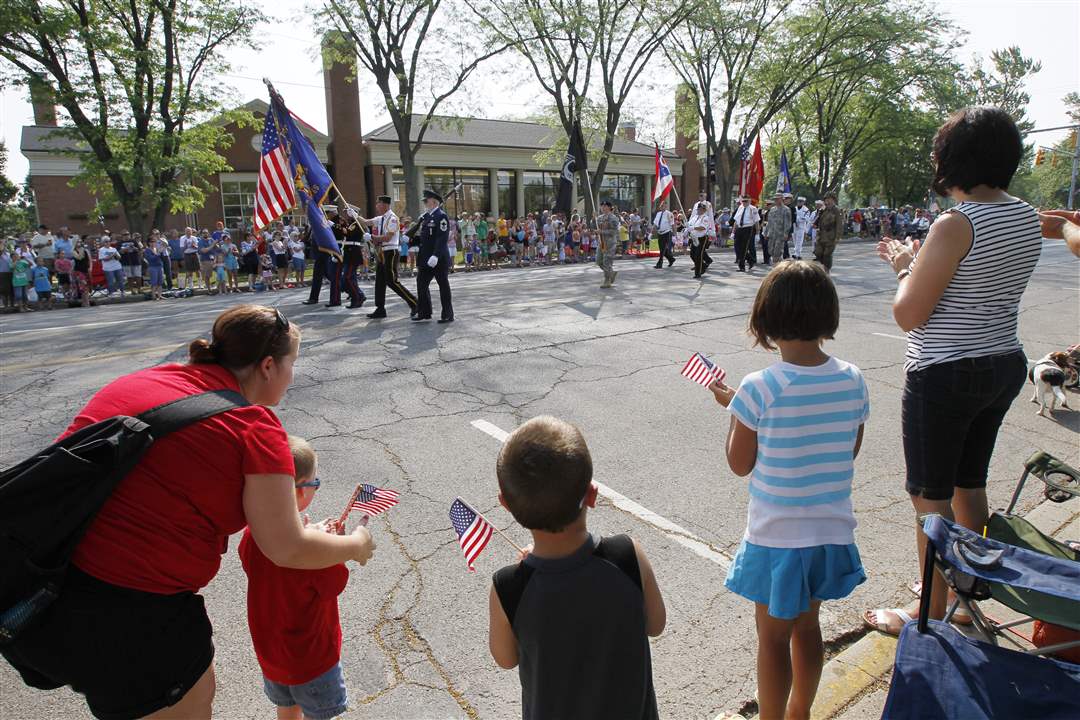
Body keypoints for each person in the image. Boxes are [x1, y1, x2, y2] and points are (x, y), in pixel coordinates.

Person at [0, 305, 377, 720]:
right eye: (292, 363)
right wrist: (355, 546)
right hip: (133, 616)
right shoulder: (254, 426)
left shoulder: (145, 379)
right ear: (268, 366)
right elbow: (287, 547)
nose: (293, 376)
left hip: (43, 589)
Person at [867, 106, 1042, 636]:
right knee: (970, 484)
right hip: (1002, 361)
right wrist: (922, 264)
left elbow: (909, 314)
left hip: (945, 371)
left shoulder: (956, 223)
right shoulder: (1026, 216)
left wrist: (904, 266)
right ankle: (965, 596)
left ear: (954, 158)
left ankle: (931, 611)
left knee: (930, 497)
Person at [708, 260, 868, 720]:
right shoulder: (852, 378)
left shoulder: (758, 387)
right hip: (828, 532)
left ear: (766, 319)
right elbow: (848, 449)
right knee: (808, 628)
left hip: (778, 538)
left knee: (773, 638)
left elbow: (739, 464)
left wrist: (738, 410)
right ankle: (800, 712)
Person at [488, 416, 666, 720]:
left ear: (506, 505)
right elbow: (656, 624)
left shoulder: (509, 587)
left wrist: (527, 574)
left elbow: (505, 658)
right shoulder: (626, 556)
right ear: (592, 494)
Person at [239, 436, 351, 720]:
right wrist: (332, 545)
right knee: (319, 714)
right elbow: (334, 583)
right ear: (300, 490)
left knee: (287, 707)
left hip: (271, 653)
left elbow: (257, 562)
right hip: (311, 660)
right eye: (315, 483)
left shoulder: (253, 534)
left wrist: (309, 533)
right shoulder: (311, 554)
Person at [355, 195, 418, 319]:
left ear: (385, 205)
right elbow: (366, 222)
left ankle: (414, 302)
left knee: (392, 281)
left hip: (391, 252)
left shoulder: (392, 219)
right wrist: (355, 215)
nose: (376, 206)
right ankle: (380, 309)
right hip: (382, 252)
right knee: (379, 282)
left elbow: (388, 237)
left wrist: (372, 237)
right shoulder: (381, 218)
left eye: (378, 203)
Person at [413, 189, 454, 323]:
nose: (425, 203)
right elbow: (425, 238)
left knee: (443, 285)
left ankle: (447, 314)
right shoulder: (426, 217)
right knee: (421, 283)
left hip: (438, 259)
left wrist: (436, 255)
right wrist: (412, 240)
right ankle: (424, 312)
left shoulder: (441, 216)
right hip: (426, 258)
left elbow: (442, 238)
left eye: (427, 200)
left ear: (434, 202)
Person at [338, 211, 367, 310]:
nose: (346, 215)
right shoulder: (350, 224)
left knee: (348, 278)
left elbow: (348, 233)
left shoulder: (356, 224)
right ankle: (359, 295)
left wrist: (335, 225)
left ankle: (357, 298)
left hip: (353, 253)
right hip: (349, 253)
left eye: (348, 213)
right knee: (350, 278)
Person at [813, 193, 843, 272]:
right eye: (826, 199)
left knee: (827, 254)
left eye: (829, 199)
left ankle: (826, 270)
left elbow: (839, 224)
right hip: (821, 236)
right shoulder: (823, 210)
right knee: (818, 253)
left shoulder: (836, 210)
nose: (827, 201)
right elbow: (818, 221)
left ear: (833, 200)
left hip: (831, 236)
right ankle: (823, 266)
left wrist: (837, 237)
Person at [731, 196, 760, 272]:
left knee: (744, 248)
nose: (744, 203)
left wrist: (757, 233)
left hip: (748, 228)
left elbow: (756, 222)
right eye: (743, 201)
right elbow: (736, 221)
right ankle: (751, 260)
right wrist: (733, 232)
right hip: (739, 228)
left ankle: (742, 266)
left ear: (749, 201)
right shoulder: (740, 207)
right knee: (737, 248)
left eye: (746, 201)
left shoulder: (753, 209)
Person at [595, 200, 620, 288]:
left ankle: (607, 280)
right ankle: (611, 273)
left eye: (605, 206)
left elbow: (614, 232)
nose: (603, 208)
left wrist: (602, 232)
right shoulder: (599, 218)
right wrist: (593, 219)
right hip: (601, 242)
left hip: (610, 243)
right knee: (598, 261)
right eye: (602, 206)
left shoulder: (613, 218)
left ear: (609, 207)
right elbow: (595, 227)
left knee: (607, 261)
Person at [687, 201, 714, 279]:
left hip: (702, 238)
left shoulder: (706, 218)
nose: (699, 210)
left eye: (701, 209)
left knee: (698, 255)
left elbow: (702, 227)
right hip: (694, 238)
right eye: (698, 209)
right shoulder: (695, 217)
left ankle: (698, 273)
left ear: (704, 210)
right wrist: (687, 227)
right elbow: (689, 224)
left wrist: (693, 228)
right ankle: (703, 266)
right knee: (692, 255)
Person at [765, 194, 793, 265]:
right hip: (772, 234)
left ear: (782, 199)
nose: (776, 200)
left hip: (780, 234)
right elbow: (769, 222)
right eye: (775, 199)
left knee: (777, 252)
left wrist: (786, 233)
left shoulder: (786, 209)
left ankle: (777, 266)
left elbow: (787, 223)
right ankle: (780, 264)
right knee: (770, 251)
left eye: (777, 199)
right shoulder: (772, 209)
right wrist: (765, 233)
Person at [652, 201, 675, 268]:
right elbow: (655, 223)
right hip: (660, 233)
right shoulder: (658, 214)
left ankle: (659, 263)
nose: (662, 207)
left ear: (666, 206)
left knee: (663, 249)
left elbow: (672, 224)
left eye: (664, 206)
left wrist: (674, 234)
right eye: (661, 206)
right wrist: (652, 231)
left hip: (667, 232)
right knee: (662, 248)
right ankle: (671, 259)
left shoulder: (669, 214)